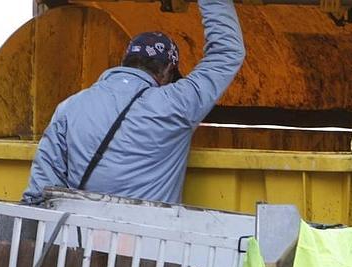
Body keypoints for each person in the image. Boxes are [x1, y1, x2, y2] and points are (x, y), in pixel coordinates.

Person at [22, 0, 245, 204]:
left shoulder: (70, 107)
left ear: (124, 61)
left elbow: (41, 189)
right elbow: (227, 53)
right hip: (148, 243)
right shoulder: (175, 104)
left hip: (83, 242)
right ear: (168, 70)